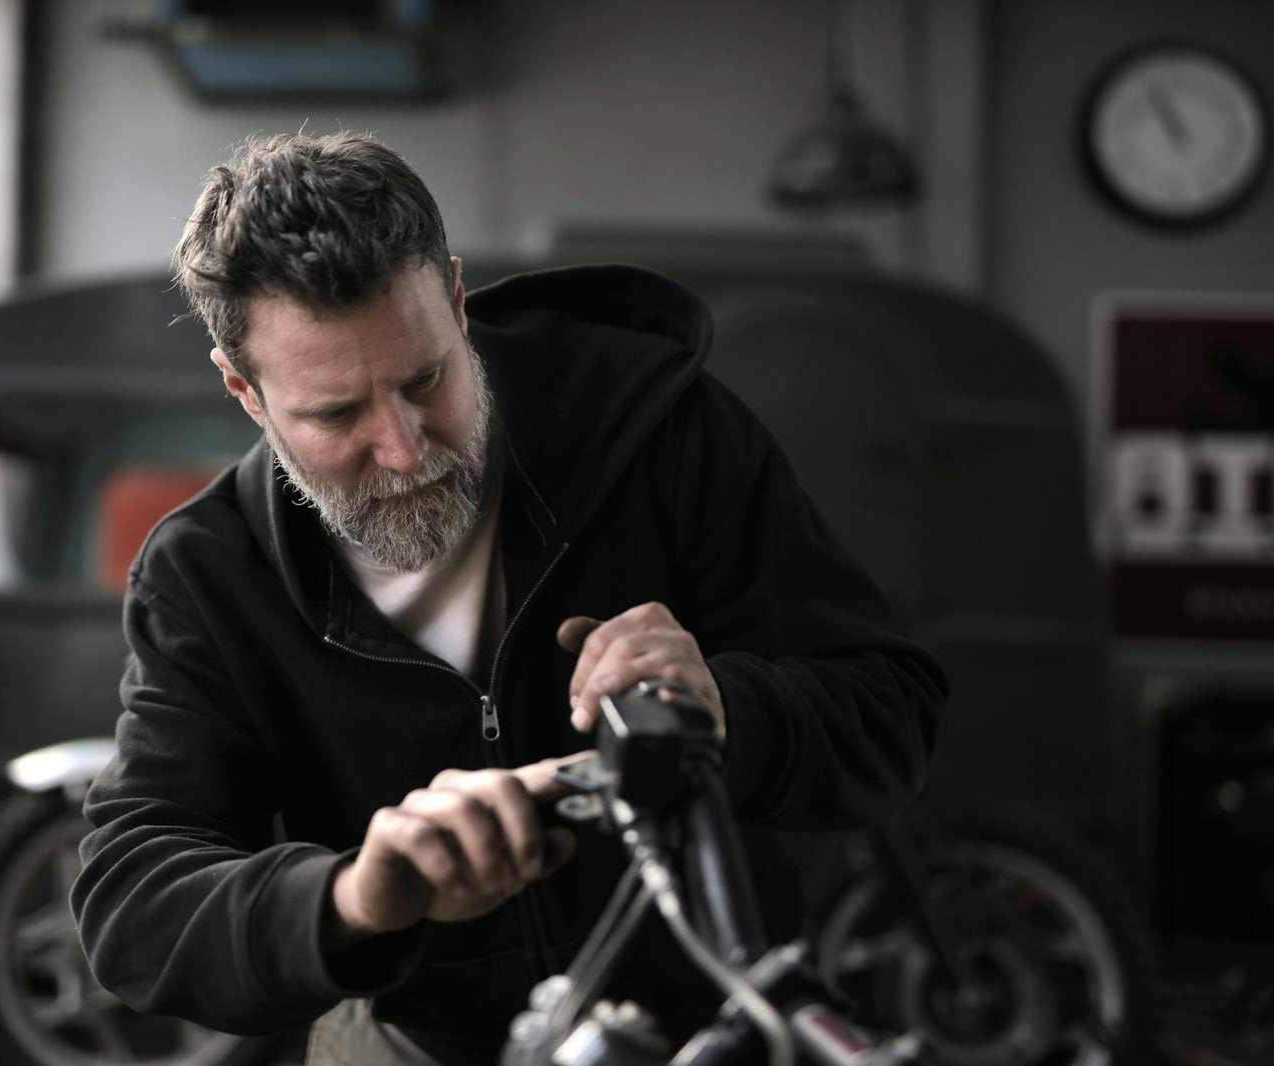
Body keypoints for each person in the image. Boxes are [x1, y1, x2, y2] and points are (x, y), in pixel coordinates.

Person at [71, 131, 947, 1066]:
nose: (405, 450)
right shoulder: (207, 574)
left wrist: (729, 707)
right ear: (245, 390)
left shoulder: (659, 428)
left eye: (426, 379)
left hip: (712, 1028)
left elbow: (891, 714)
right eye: (336, 414)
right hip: (415, 1042)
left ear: (453, 297)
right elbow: (133, 902)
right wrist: (356, 898)